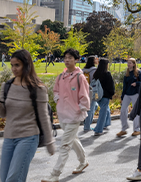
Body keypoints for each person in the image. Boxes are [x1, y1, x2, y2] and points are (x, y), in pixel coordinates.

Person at [0, 49, 55, 182]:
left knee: (13, 179)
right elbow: (3, 114)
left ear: (27, 65)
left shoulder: (38, 88)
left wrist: (49, 142)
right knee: (4, 179)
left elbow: (44, 116)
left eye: (17, 65)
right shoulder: (6, 86)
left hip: (28, 137)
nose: (13, 69)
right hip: (9, 137)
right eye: (12, 65)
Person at [42, 48, 90, 182]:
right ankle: (83, 161)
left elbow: (84, 95)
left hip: (74, 115)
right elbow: (55, 89)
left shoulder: (80, 77)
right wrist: (57, 99)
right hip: (62, 114)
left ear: (76, 60)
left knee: (65, 144)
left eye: (70, 57)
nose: (67, 60)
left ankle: (55, 174)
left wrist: (81, 108)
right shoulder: (61, 76)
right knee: (73, 139)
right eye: (65, 57)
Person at [118, 58, 141, 137]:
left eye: (130, 63)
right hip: (127, 94)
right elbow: (124, 86)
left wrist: (137, 83)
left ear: (133, 64)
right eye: (128, 63)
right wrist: (122, 97)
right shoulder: (127, 74)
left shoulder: (139, 73)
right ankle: (124, 128)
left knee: (135, 111)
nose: (128, 64)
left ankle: (136, 129)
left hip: (135, 94)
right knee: (123, 110)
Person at [93, 58, 115, 136]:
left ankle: (106, 124)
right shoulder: (107, 74)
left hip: (97, 95)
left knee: (106, 110)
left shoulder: (96, 73)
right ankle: (98, 129)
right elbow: (111, 86)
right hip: (105, 95)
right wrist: (111, 94)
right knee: (103, 112)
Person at [82, 56, 99, 132]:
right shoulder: (95, 71)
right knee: (92, 108)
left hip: (84, 91)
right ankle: (87, 126)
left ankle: (86, 122)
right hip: (93, 91)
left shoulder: (83, 70)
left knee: (92, 106)